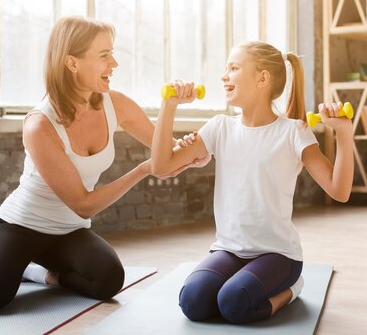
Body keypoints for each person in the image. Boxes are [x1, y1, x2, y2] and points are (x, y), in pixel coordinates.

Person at [0, 16, 208, 314]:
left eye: (112, 53)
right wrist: (142, 169)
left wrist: (194, 150)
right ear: (72, 63)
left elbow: (164, 155)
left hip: (68, 231)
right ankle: (7, 265)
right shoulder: (40, 124)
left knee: (108, 279)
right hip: (21, 226)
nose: (114, 64)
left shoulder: (115, 103)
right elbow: (83, 204)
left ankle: (40, 274)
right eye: (104, 56)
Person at [150, 41, 354, 324]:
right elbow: (161, 167)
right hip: (228, 250)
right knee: (192, 301)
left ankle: (293, 289)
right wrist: (168, 106)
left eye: (233, 68)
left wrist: (344, 135)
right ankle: (241, 284)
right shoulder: (220, 127)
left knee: (234, 304)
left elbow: (339, 191)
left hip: (278, 255)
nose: (224, 76)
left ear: (262, 78)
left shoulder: (294, 132)